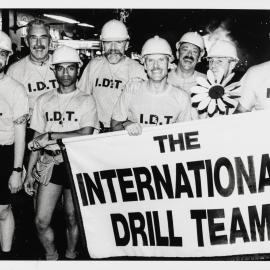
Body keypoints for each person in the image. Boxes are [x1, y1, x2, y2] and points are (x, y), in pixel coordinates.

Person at [24, 45, 98, 260]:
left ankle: (71, 255)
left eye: (71, 68)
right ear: (54, 70)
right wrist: (29, 173)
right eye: (61, 69)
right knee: (41, 220)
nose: (66, 74)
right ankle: (51, 257)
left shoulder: (86, 100)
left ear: (78, 69)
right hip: (51, 163)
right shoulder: (43, 100)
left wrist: (52, 135)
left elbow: (85, 133)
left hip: (75, 162)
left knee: (72, 216)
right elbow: (37, 139)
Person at [111, 35, 192, 135]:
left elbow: (185, 135)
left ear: (169, 64)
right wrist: (126, 125)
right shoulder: (131, 90)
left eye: (161, 60)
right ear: (144, 65)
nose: (156, 66)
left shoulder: (181, 98)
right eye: (150, 60)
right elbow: (114, 126)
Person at [78, 19, 146, 132]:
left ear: (126, 44)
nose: (113, 48)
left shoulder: (137, 70)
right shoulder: (93, 66)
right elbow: (80, 98)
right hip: (95, 130)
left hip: (124, 130)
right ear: (102, 44)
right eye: (108, 42)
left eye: (119, 42)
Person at [0, 31, 29, 258]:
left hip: (5, 152)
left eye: (2, 54)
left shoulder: (15, 89)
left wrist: (17, 170)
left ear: (8, 57)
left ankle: (6, 256)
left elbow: (20, 132)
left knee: (2, 210)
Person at [7, 19, 57, 118]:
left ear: (50, 40)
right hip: (30, 130)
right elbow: (7, 107)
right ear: (26, 41)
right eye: (33, 38)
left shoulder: (62, 65)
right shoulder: (14, 71)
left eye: (43, 37)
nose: (39, 44)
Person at [193, 39, 240, 118]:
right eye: (211, 61)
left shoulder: (241, 97)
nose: (213, 66)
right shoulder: (198, 94)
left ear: (232, 64)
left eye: (219, 61)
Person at [167, 32, 206, 119]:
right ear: (177, 53)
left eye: (195, 52)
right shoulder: (164, 80)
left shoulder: (207, 83)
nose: (189, 55)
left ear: (199, 58)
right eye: (185, 49)